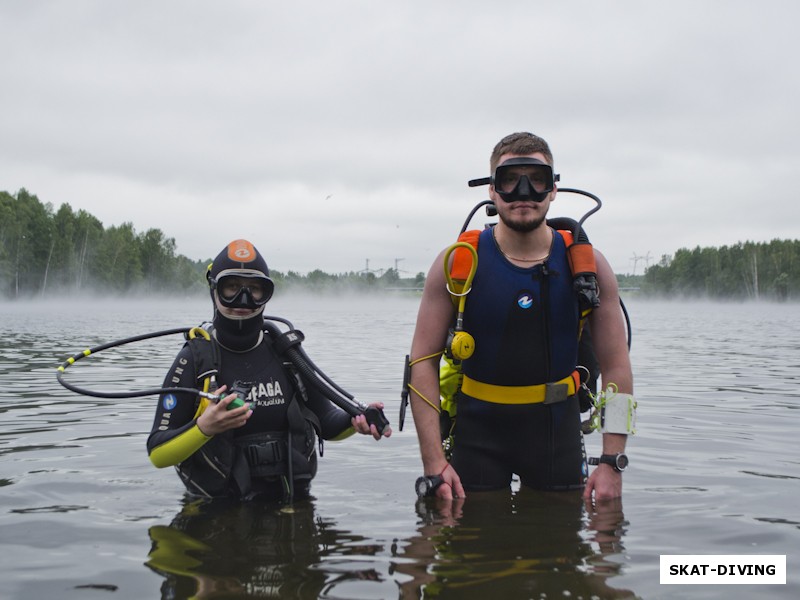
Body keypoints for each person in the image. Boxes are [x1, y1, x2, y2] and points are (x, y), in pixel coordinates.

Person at [408, 132, 633, 501]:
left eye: (537, 179)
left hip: (556, 433)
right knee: (468, 550)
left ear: (554, 189)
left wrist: (611, 460)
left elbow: (617, 366)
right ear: (492, 191)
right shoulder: (457, 263)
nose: (524, 192)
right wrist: (433, 462)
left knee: (562, 549)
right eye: (510, 179)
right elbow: (421, 361)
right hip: (476, 434)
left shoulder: (588, 266)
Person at [147, 239, 390, 502]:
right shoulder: (195, 360)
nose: (243, 299)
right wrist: (205, 427)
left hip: (291, 508)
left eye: (254, 289)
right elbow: (158, 452)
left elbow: (327, 422)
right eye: (231, 287)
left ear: (267, 293)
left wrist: (356, 421)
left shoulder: (287, 355)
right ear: (214, 289)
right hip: (215, 514)